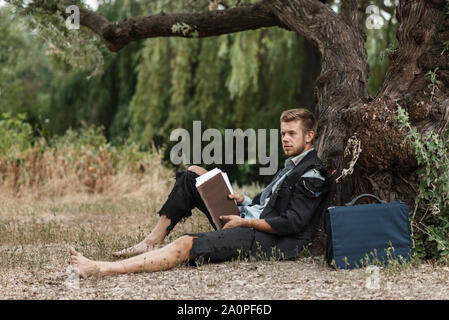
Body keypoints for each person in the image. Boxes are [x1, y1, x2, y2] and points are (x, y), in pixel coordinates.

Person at [70, 108, 330, 278]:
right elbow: (266, 202)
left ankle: (100, 269)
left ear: (309, 136)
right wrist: (244, 200)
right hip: (249, 219)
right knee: (193, 174)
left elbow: (293, 223)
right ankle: (151, 241)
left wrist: (245, 221)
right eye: (283, 133)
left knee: (186, 243)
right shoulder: (291, 166)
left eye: (291, 134)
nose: (285, 138)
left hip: (270, 240)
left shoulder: (312, 174)